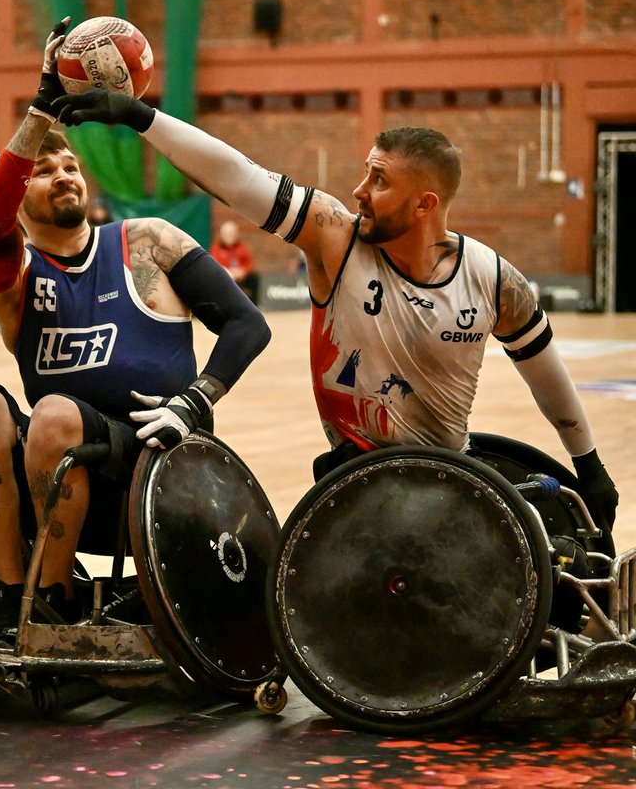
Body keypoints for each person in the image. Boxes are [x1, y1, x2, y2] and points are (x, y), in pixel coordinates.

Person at [51, 89, 620, 533]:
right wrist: (140, 116)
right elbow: (240, 177)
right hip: (355, 479)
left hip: (450, 477)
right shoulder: (336, 240)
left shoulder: (495, 281)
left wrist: (590, 467)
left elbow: (545, 372)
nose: (358, 190)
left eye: (379, 180)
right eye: (365, 172)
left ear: (426, 204)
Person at [0, 20, 271, 644]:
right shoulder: (13, 274)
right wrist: (42, 110)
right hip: (55, 456)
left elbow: (247, 324)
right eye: (45, 170)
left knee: (52, 417)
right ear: (17, 195)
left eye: (72, 164)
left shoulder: (147, 241)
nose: (66, 173)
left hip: (152, 457)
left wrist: (196, 400)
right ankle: (13, 593)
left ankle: (55, 596)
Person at [212, 220, 261, 305]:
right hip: (225, 278)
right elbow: (215, 266)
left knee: (254, 277)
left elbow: (248, 264)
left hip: (241, 277)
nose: (228, 236)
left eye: (231, 234)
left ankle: (255, 306)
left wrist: (243, 272)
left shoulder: (242, 247)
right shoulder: (216, 249)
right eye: (226, 234)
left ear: (236, 234)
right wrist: (230, 272)